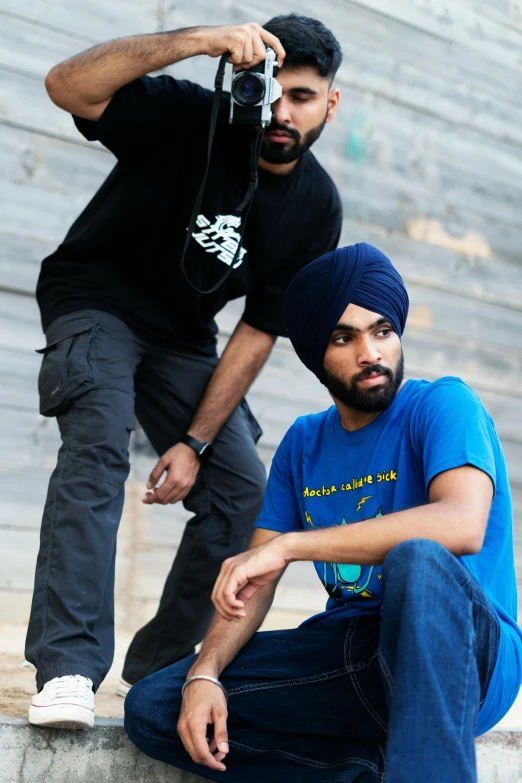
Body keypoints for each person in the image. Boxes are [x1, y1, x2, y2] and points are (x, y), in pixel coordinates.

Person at [26, 15, 343, 729]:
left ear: (330, 104)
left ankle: (159, 670)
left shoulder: (317, 206)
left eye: (302, 96)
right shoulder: (189, 117)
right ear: (249, 83)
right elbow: (63, 85)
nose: (282, 113)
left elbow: (259, 329)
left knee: (242, 490)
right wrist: (197, 42)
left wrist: (195, 442)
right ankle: (68, 666)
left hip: (184, 339)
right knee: (100, 445)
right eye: (273, 93)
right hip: (94, 298)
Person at [124, 242, 522, 783]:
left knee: (419, 561)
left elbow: (461, 523)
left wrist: (289, 546)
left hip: (469, 660)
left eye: (382, 331)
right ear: (317, 354)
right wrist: (206, 672)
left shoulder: (443, 405)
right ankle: (356, 772)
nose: (371, 353)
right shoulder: (304, 443)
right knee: (156, 705)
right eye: (344, 338)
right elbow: (254, 585)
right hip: (354, 657)